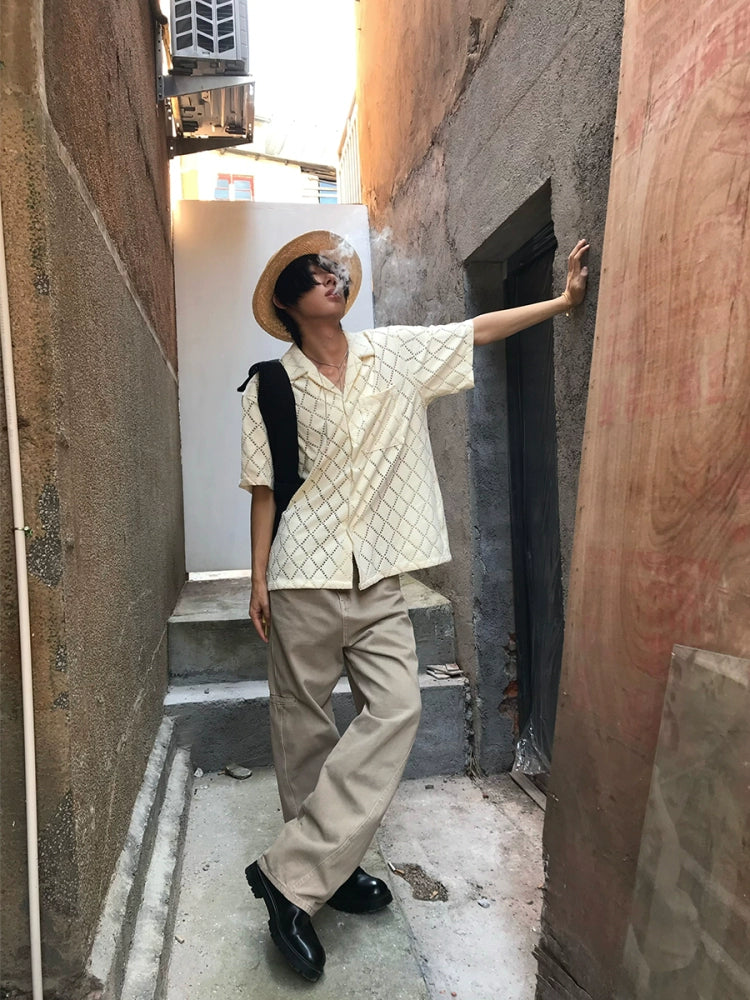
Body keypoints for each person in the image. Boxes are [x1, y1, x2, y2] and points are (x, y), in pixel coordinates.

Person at [240, 230, 589, 981]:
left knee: (397, 708)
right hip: (302, 573)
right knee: (303, 729)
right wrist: (257, 576)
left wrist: (562, 302)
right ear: (288, 301)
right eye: (314, 274)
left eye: (334, 269)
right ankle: (323, 874)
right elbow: (265, 490)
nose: (331, 278)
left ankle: (288, 876)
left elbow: (475, 331)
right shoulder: (269, 385)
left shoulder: (393, 354)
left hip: (378, 578)